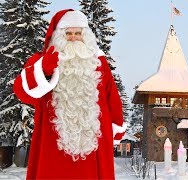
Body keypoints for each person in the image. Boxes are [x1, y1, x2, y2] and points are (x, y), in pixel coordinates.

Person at [13, 9, 126, 179]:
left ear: (85, 36)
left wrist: (116, 126)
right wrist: (44, 70)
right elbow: (22, 92)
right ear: (59, 36)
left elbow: (113, 98)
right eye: (68, 33)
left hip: (93, 147)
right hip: (53, 152)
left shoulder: (99, 63)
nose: (73, 38)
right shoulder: (42, 60)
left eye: (78, 33)